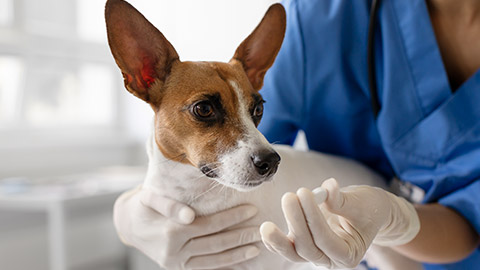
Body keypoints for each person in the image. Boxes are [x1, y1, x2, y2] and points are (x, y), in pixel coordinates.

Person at [113, 0, 480, 269]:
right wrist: (127, 214)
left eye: (255, 110)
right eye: (204, 110)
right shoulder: (324, 18)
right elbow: (251, 156)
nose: (250, 130)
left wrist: (396, 218)